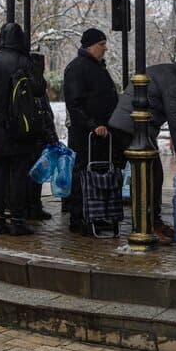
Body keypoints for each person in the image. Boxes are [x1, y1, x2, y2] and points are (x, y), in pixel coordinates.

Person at [108, 50, 176, 244]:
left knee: (143, 176)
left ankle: (146, 221)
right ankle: (149, 224)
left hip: (125, 126)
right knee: (152, 177)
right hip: (134, 129)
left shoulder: (163, 70)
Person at [0, 22, 44, 235]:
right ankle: (17, 221)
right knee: (18, 175)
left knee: (1, 174)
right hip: (21, 127)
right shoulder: (24, 61)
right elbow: (39, 89)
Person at [63, 28, 119, 235]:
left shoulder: (96, 67)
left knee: (97, 174)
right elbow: (74, 104)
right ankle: (79, 218)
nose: (105, 48)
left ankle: (95, 215)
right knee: (82, 174)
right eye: (101, 44)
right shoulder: (77, 68)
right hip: (86, 134)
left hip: (101, 133)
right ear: (90, 46)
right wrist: (93, 125)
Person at [28, 52, 60, 221]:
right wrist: (50, 134)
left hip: (35, 137)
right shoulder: (36, 86)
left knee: (33, 173)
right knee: (36, 174)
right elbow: (43, 114)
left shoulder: (32, 83)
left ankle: (32, 205)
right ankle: (33, 206)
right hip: (38, 137)